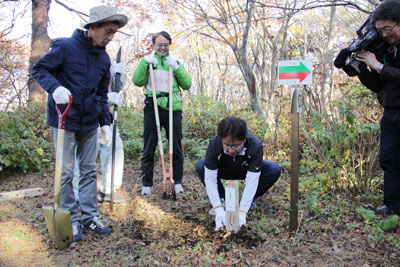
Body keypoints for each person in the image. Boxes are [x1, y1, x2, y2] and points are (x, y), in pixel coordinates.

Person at [32, 5, 128, 242]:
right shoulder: (65, 46)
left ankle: (90, 216)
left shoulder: (104, 59)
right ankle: (70, 218)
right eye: (107, 31)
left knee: (87, 171)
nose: (110, 37)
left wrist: (104, 121)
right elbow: (40, 69)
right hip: (64, 120)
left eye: (113, 33)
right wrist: (56, 88)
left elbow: (100, 95)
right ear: (92, 27)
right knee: (65, 172)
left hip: (89, 123)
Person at [354, 0, 400, 215]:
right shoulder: (388, 49)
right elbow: (380, 86)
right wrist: (362, 68)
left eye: (387, 29)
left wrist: (379, 66)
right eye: (380, 30)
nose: (383, 35)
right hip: (391, 112)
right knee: (389, 159)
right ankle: (393, 206)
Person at [195, 116, 281, 231]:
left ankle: (251, 200)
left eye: (235, 146)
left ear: (244, 139)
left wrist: (242, 211)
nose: (230, 150)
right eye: (226, 145)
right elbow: (210, 179)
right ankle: (222, 199)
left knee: (273, 169)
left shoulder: (255, 145)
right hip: (224, 169)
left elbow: (252, 180)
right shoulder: (215, 144)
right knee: (201, 165)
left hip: (245, 169)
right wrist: (218, 209)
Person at [132, 31, 192, 195]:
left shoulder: (175, 63)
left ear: (169, 45)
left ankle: (177, 181)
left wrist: (177, 68)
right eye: (160, 44)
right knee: (149, 145)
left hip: (173, 106)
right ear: (154, 46)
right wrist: (145, 63)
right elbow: (137, 81)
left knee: (176, 145)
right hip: (153, 106)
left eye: (166, 44)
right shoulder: (149, 62)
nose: (163, 47)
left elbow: (187, 84)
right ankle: (147, 184)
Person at [72, 58, 126, 204]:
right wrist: (106, 98)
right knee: (84, 154)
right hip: (85, 114)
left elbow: (115, 88)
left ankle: (108, 189)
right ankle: (77, 193)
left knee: (115, 146)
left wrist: (119, 77)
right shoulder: (82, 55)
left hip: (104, 113)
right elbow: (82, 89)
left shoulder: (108, 59)